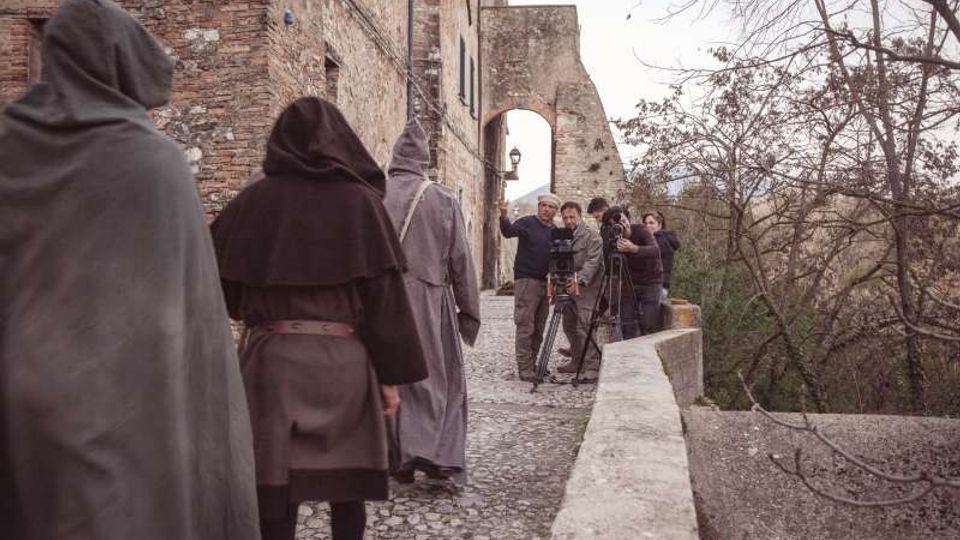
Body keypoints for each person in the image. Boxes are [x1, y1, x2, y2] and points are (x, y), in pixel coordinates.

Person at [0, 1, 260, 538]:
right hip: (131, 405)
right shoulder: (154, 164)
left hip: (20, 396)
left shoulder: (10, 149)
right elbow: (190, 322)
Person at [210, 97, 428, 540]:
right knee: (348, 491)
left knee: (275, 489)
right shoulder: (362, 205)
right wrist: (390, 377)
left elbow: (222, 290)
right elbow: (384, 300)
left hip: (272, 364)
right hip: (344, 363)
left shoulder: (253, 201)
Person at [383, 119, 480, 485]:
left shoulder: (375, 193)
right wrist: (468, 313)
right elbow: (461, 262)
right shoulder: (442, 200)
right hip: (430, 302)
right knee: (440, 379)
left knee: (394, 377)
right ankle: (440, 458)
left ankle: (401, 458)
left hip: (386, 303)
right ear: (424, 159)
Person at [498, 193, 560, 381]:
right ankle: (525, 369)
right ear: (538, 206)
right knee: (525, 326)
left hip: (545, 282)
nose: (546, 209)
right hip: (526, 281)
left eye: (550, 207)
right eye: (543, 205)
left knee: (539, 328)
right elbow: (508, 231)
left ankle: (533, 364)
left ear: (555, 210)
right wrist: (503, 214)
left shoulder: (555, 230)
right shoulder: (527, 222)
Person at [556, 202, 604, 380]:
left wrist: (579, 280)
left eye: (572, 217)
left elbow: (593, 262)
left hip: (588, 288)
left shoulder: (592, 236)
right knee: (568, 324)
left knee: (585, 326)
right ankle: (577, 360)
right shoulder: (563, 236)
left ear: (579, 216)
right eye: (565, 218)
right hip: (568, 286)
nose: (568, 221)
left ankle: (591, 367)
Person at [603, 207, 663, 338]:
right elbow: (609, 267)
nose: (623, 225)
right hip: (628, 283)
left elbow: (655, 250)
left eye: (624, 220)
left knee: (649, 324)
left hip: (650, 282)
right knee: (627, 324)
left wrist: (634, 249)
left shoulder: (641, 230)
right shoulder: (612, 240)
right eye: (618, 224)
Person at [642, 212, 681, 299]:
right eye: (645, 223)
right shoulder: (654, 239)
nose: (647, 226)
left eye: (651, 223)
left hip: (657, 286)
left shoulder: (661, 240)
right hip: (654, 285)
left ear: (659, 225)